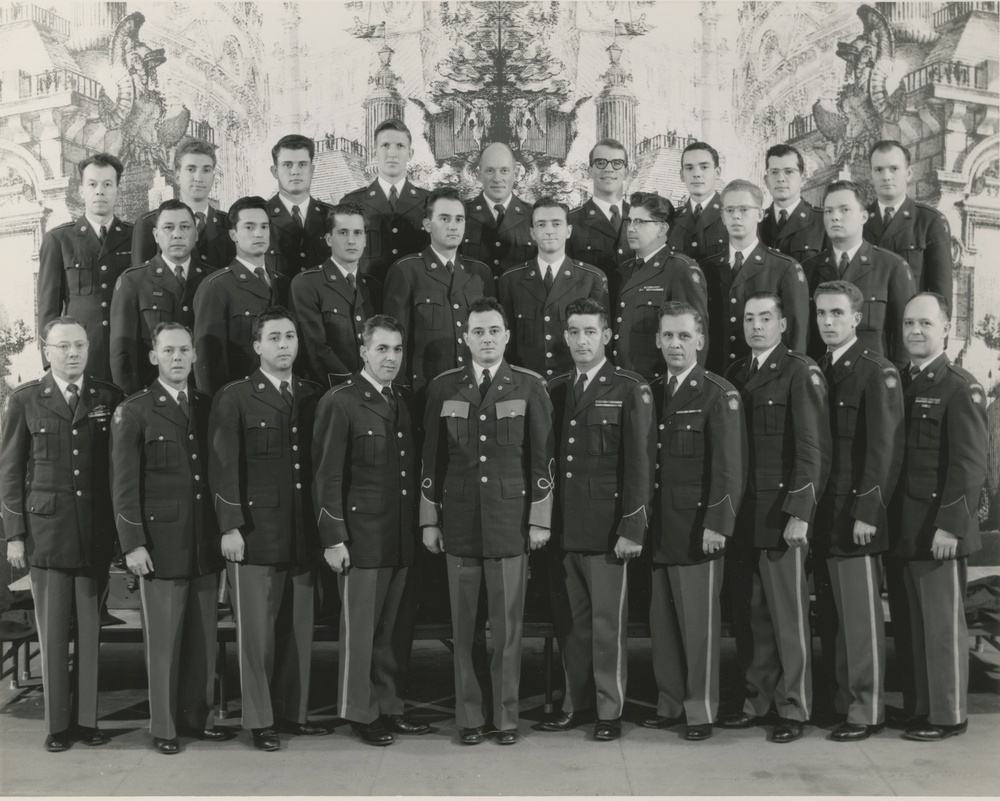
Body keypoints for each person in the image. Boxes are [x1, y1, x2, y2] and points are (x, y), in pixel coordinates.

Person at [419, 297, 554, 746]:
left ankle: (506, 718)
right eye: (478, 331)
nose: (487, 339)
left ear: (507, 335)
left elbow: (542, 459)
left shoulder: (529, 386)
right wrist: (429, 520)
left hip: (509, 523)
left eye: (494, 330)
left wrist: (539, 520)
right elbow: (431, 460)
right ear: (465, 337)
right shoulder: (444, 387)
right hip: (459, 524)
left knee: (508, 632)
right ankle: (470, 718)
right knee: (465, 632)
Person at [207, 306, 329, 751]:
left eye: (290, 337)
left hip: (301, 532)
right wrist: (230, 527)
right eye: (274, 338)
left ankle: (293, 714)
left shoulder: (314, 394)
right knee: (256, 637)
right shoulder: (235, 397)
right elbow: (223, 468)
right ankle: (260, 721)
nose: (284, 345)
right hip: (255, 535)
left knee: (298, 632)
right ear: (257, 345)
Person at [1, 317, 123, 751]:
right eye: (63, 346)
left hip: (93, 533)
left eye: (80, 345)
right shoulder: (26, 399)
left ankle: (87, 722)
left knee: (90, 632)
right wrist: (15, 535)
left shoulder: (108, 397)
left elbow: (118, 472)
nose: (73, 353)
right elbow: (10, 473)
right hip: (46, 535)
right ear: (46, 351)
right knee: (52, 634)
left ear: (89, 348)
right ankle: (57, 726)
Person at [110, 322, 230, 754]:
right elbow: (123, 485)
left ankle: (198, 719)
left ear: (194, 356)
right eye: (168, 351)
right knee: (163, 644)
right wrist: (132, 543)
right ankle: (164, 728)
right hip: (159, 546)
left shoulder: (207, 405)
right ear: (153, 357)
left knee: (202, 640)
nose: (177, 358)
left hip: (202, 543)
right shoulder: (135, 410)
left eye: (184, 350)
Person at [312, 314, 428, 746]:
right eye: (382, 349)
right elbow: (327, 477)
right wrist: (333, 539)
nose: (391, 357)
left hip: (399, 537)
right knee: (361, 633)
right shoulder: (340, 401)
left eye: (397, 349)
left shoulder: (403, 399)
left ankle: (391, 707)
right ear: (363, 351)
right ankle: (361, 713)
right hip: (361, 539)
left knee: (395, 632)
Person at [719, 292, 830, 744]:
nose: (756, 326)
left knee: (788, 617)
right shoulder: (734, 373)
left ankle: (794, 706)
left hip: (781, 515)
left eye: (765, 318)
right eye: (749, 319)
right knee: (752, 617)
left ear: (783, 325)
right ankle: (756, 701)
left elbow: (812, 450)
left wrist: (800, 513)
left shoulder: (800, 372)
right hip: (744, 516)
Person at [541, 298, 653, 742]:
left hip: (609, 532)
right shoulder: (555, 388)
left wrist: (632, 527)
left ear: (606, 336)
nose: (581, 340)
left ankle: (609, 710)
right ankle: (576, 704)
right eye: (574, 331)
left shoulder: (629, 387)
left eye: (590, 331)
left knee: (607, 627)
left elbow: (639, 465)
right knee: (571, 626)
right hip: (565, 530)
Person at [644, 301, 747, 741]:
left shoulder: (718, 393)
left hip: (697, 530)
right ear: (657, 340)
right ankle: (670, 704)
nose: (675, 344)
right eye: (668, 335)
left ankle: (700, 712)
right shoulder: (650, 391)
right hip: (659, 529)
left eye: (684, 336)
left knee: (699, 628)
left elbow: (729, 468)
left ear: (700, 340)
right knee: (663, 625)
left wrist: (718, 524)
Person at [812, 281, 904, 742]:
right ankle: (840, 702)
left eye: (836, 313)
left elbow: (884, 451)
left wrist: (868, 511)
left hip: (856, 517)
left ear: (856, 318)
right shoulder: (818, 368)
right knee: (832, 620)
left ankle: (866, 711)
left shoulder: (876, 370)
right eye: (821, 314)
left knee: (861, 622)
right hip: (824, 516)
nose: (828, 322)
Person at [893, 293, 987, 742]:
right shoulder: (900, 382)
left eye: (926, 324)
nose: (915, 331)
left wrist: (950, 525)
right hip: (905, 530)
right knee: (912, 628)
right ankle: (920, 709)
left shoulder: (960, 387)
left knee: (942, 628)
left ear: (946, 329)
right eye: (909, 323)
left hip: (938, 532)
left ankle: (948, 715)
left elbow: (969, 465)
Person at [383, 187, 495, 394]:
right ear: (427, 224)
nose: (453, 226)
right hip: (425, 389)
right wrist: (398, 392)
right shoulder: (406, 270)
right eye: (444, 219)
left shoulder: (481, 272)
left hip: (475, 387)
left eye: (459, 219)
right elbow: (394, 341)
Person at [37, 154, 134, 381]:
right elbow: (48, 310)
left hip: (129, 354)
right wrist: (51, 363)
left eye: (107, 184)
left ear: (117, 190)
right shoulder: (59, 240)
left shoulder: (135, 237)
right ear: (81, 191)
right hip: (79, 358)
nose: (100, 191)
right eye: (92, 184)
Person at [700, 179, 810, 376]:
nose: (736, 216)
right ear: (722, 217)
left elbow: (795, 338)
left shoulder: (784, 268)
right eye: (730, 210)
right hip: (715, 376)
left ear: (759, 214)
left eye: (744, 209)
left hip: (765, 377)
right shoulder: (706, 268)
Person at [111, 200, 217, 394]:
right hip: (152, 396)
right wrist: (133, 402)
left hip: (204, 396)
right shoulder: (133, 281)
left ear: (196, 234)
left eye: (185, 227)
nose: (177, 234)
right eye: (168, 227)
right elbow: (122, 353)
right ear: (155, 235)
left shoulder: (214, 280)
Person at [802, 180, 915, 362]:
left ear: (864, 216)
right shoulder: (808, 269)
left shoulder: (891, 267)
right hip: (821, 375)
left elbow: (905, 339)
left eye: (844, 210)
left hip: (873, 375)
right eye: (828, 211)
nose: (835, 217)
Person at [498, 197, 609, 377]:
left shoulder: (592, 279)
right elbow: (506, 341)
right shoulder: (510, 280)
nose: (549, 231)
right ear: (532, 233)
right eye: (541, 225)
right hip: (526, 381)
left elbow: (601, 342)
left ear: (568, 231)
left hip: (574, 381)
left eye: (556, 224)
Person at [192, 196, 290, 395]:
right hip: (242, 399)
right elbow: (208, 362)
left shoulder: (284, 283)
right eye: (249, 227)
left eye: (264, 227)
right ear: (233, 234)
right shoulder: (217, 287)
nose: (258, 233)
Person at [613, 192, 708, 380]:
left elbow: (695, 337)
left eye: (640, 222)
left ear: (662, 228)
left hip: (659, 383)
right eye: (629, 221)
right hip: (622, 380)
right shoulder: (623, 272)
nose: (631, 228)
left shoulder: (680, 269)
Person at [289, 203, 380, 387]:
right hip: (330, 391)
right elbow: (315, 348)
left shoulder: (373, 286)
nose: (351, 240)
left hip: (372, 388)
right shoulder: (307, 284)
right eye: (343, 232)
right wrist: (353, 388)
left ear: (365, 239)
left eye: (358, 233)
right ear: (329, 239)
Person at [864, 141, 953, 310]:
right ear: (871, 174)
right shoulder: (859, 221)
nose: (886, 176)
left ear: (909, 172)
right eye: (879, 169)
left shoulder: (929, 221)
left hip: (909, 322)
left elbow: (941, 293)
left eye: (894, 168)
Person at [341, 119, 430, 283]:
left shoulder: (429, 202)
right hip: (368, 295)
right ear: (375, 152)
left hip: (417, 294)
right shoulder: (352, 202)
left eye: (400, 146)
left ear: (410, 154)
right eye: (385, 145)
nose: (392, 153)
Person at [130, 138, 234, 270]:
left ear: (213, 177)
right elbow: (140, 277)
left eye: (206, 170)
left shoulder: (229, 224)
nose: (199, 178)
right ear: (177, 175)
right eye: (191, 169)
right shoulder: (149, 223)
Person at [567, 138, 634, 296]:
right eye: (600, 163)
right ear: (590, 171)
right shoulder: (570, 222)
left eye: (617, 163)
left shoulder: (641, 219)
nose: (609, 169)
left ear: (626, 172)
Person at [461, 143, 537, 278]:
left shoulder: (533, 216)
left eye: (504, 171)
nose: (497, 179)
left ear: (516, 173)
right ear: (479, 174)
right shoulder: (461, 214)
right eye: (490, 171)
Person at [265, 134, 333, 279]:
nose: (295, 171)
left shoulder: (332, 216)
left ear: (312, 170)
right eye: (287, 165)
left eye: (302, 164)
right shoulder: (260, 216)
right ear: (275, 171)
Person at [758, 144, 828, 265]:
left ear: (803, 179)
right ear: (766, 180)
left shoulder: (823, 221)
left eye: (789, 172)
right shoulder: (757, 222)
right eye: (774, 172)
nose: (781, 178)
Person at [667, 141, 728, 261]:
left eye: (704, 167)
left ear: (717, 173)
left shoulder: (732, 215)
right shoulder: (673, 219)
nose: (696, 174)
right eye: (689, 168)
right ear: (682, 175)